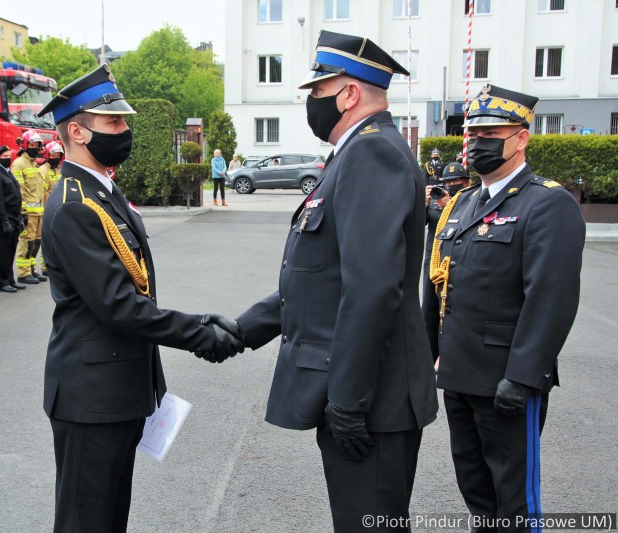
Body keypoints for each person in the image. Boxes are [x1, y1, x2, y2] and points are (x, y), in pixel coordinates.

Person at [205, 31, 438, 531]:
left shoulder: (371, 154)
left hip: (371, 400)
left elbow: (372, 289)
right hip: (364, 394)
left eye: (317, 90)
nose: (311, 101)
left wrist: (348, 401)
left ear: (349, 94)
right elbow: (321, 278)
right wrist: (244, 329)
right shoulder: (355, 154)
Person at [36, 64, 244, 533]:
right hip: (91, 398)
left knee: (110, 519)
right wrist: (199, 332)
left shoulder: (102, 193)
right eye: (113, 122)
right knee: (86, 522)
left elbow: (135, 291)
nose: (124, 130)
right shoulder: (74, 204)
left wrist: (199, 321)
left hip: (118, 391)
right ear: (77, 132)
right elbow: (118, 305)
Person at [426, 84, 585, 529]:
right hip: (459, 374)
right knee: (475, 488)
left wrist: (523, 376)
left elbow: (551, 298)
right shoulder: (461, 204)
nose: (478, 142)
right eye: (473, 133)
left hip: (507, 381)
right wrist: (426, 356)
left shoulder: (546, 202)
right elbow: (437, 287)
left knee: (514, 499)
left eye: (491, 133)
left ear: (521, 138)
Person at [13, 130, 46, 285]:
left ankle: (32, 269)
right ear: (25, 145)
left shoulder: (34, 163)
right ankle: (23, 273)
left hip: (38, 212)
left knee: (35, 243)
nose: (35, 148)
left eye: (37, 145)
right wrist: (22, 212)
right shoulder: (19, 163)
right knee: (26, 242)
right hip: (28, 213)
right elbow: (18, 191)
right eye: (32, 145)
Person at [0, 145, 23, 293]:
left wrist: (20, 217)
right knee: (2, 250)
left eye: (9, 156)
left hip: (13, 216)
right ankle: (2, 282)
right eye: (5, 156)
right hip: (4, 216)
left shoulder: (8, 173)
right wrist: (4, 220)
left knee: (11, 249)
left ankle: (9, 279)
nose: (8, 158)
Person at [38, 140, 64, 277]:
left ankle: (54, 265)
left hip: (58, 210)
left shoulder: (58, 170)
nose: (56, 158)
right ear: (48, 155)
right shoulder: (43, 171)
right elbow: (42, 193)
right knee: (47, 240)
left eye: (58, 156)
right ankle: (45, 267)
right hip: (47, 210)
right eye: (53, 156)